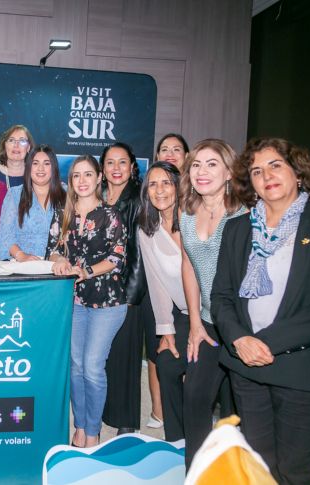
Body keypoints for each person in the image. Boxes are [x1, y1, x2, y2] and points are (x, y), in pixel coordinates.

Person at [212, 138, 310, 484]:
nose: (267, 175)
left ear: (298, 172)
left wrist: (264, 342)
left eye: (276, 165)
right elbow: (221, 297)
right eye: (257, 171)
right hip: (247, 370)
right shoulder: (237, 230)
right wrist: (239, 340)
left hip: (303, 373)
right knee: (258, 471)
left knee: (296, 473)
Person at [46, 154, 127, 448]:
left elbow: (116, 258)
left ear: (98, 178)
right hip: (75, 301)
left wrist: (85, 271)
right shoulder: (62, 213)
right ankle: (79, 426)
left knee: (92, 366)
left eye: (88, 175)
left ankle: (93, 431)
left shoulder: (111, 214)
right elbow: (52, 249)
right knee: (76, 365)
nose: (82, 181)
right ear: (71, 181)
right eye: (76, 175)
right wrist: (59, 261)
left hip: (108, 302)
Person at [178, 138, 246, 468]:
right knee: (194, 397)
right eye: (196, 165)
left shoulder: (246, 214)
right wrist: (194, 323)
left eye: (212, 164)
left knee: (238, 409)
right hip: (206, 322)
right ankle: (197, 471)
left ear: (230, 170)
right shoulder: (187, 213)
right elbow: (188, 265)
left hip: (242, 325)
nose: (202, 172)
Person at [139, 133, 191, 431]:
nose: (159, 190)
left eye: (166, 183)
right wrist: (166, 331)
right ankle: (176, 440)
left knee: (201, 384)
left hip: (216, 313)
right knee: (167, 364)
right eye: (153, 185)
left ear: (178, 185)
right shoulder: (148, 229)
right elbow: (157, 285)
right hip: (183, 314)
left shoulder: (197, 218)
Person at [99, 142, 151, 436]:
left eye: (122, 162)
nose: (116, 168)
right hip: (99, 288)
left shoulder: (137, 199)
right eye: (110, 163)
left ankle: (128, 422)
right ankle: (109, 411)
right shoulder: (98, 196)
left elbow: (139, 251)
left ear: (133, 167)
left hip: (127, 291)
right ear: (102, 168)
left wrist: (130, 296)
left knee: (126, 357)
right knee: (105, 357)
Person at [0, 144, 65, 260]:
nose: (40, 168)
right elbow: (6, 235)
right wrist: (22, 256)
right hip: (23, 266)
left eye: (47, 163)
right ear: (28, 167)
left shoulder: (66, 194)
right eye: (35, 163)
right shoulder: (15, 194)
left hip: (59, 265)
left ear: (54, 167)